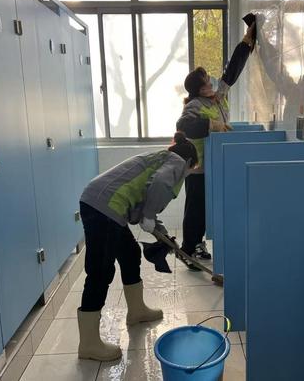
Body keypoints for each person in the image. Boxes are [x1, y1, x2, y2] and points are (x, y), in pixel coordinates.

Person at [77, 132, 198, 361]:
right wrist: (150, 215)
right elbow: (160, 184)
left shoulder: (161, 157)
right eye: (191, 169)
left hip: (103, 204)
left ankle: (136, 311)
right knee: (100, 271)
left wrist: (160, 231)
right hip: (104, 207)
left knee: (130, 253)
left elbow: (145, 199)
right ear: (190, 162)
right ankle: (89, 343)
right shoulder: (177, 163)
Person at [176, 21, 256, 267]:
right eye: (206, 84)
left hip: (216, 166)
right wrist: (212, 125)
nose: (211, 85)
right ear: (199, 90)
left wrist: (246, 43)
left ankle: (198, 244)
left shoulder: (217, 98)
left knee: (208, 208)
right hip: (198, 167)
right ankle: (188, 250)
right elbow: (183, 125)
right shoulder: (194, 105)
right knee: (195, 208)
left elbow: (230, 73)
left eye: (209, 82)